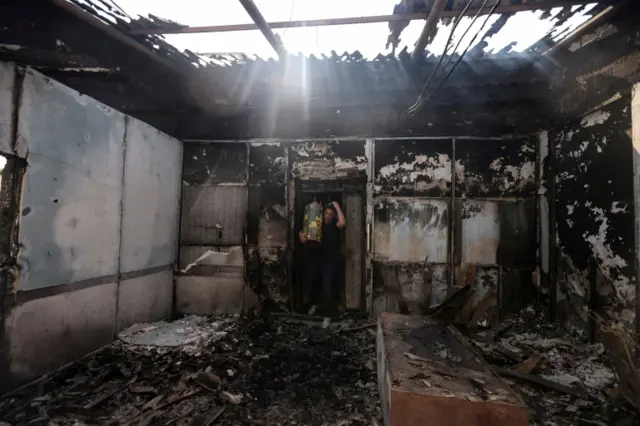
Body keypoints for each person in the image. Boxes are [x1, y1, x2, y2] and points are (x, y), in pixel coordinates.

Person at [299, 201, 346, 315]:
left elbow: (342, 223)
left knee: (327, 286)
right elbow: (303, 235)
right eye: (326, 213)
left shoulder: (334, 224)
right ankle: (316, 304)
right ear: (322, 213)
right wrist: (301, 236)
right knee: (313, 283)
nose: (328, 216)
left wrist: (337, 206)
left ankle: (329, 313)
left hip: (329, 260)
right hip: (315, 258)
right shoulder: (316, 222)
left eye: (331, 214)